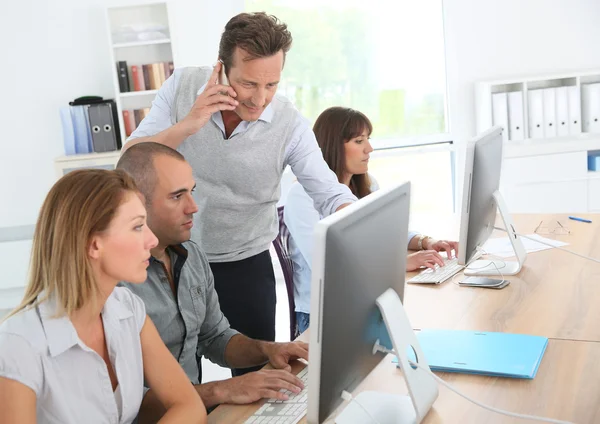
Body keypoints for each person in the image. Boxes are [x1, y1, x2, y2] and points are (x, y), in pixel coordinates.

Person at [122, 13, 356, 371]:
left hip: (245, 262)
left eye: (272, 85)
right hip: (173, 258)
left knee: (255, 371)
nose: (260, 99)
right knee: (173, 374)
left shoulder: (288, 123)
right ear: (221, 69)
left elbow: (328, 192)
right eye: (249, 84)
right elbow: (129, 161)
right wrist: (190, 124)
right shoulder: (183, 86)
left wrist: (363, 225)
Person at [116, 142, 309, 420]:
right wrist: (220, 390)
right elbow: (128, 404)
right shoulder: (115, 287)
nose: (193, 207)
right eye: (176, 196)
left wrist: (268, 349)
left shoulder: (192, 255)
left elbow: (215, 337)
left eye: (191, 192)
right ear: (136, 203)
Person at [0, 169, 206, 424]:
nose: (151, 240)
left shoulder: (128, 309)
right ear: (94, 244)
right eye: (138, 227)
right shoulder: (18, 345)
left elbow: (188, 405)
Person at [284, 107, 459, 334]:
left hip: (363, 303)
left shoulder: (366, 185)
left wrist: (427, 242)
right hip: (322, 317)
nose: (369, 149)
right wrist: (400, 264)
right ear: (333, 147)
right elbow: (325, 264)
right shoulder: (301, 196)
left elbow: (387, 232)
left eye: (368, 139)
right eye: (359, 141)